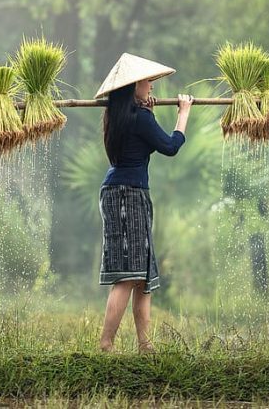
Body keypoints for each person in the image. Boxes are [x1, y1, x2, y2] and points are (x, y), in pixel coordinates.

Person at [93, 53, 193, 353]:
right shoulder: (139, 118)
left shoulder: (120, 116)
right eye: (147, 81)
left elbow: (143, 132)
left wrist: (147, 111)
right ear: (134, 85)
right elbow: (171, 146)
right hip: (128, 194)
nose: (151, 86)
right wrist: (183, 112)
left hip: (124, 191)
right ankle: (106, 343)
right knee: (129, 274)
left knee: (143, 274)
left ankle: (145, 345)